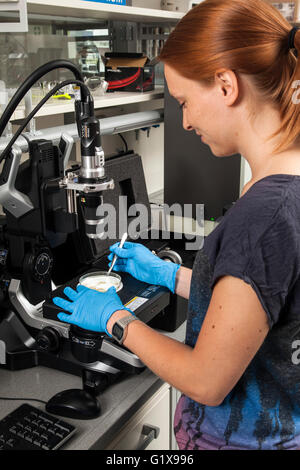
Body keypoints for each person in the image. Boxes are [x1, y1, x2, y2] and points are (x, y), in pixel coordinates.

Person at [53, 0, 300, 450]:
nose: (184, 121)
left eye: (185, 101)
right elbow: (261, 304)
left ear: (226, 85)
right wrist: (170, 275)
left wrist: (117, 319)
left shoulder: (264, 213)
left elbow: (206, 381)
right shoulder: (285, 184)